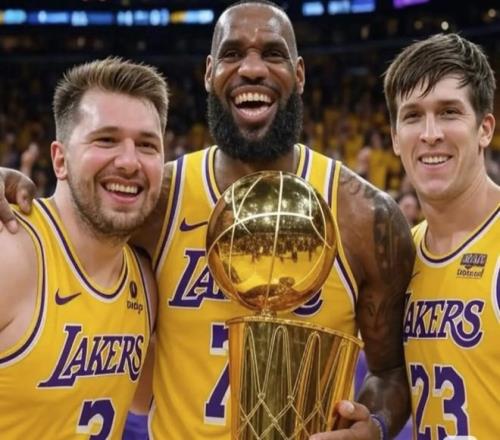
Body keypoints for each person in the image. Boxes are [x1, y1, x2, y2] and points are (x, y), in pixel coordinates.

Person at [0, 2, 415, 439]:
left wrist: (376, 425)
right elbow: (72, 219)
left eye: (272, 54)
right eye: (232, 54)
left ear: (299, 74)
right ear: (209, 73)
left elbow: (391, 371)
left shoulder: (364, 216)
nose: (251, 68)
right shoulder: (154, 201)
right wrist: (15, 186)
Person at [0, 57, 168, 438]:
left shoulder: (145, 282)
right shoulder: (13, 252)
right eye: (106, 140)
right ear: (60, 159)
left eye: (147, 145)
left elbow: (148, 399)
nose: (129, 162)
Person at [384, 33, 500, 439]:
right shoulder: (402, 253)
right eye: (413, 116)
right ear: (395, 137)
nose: (430, 133)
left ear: (484, 129)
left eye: (449, 112)